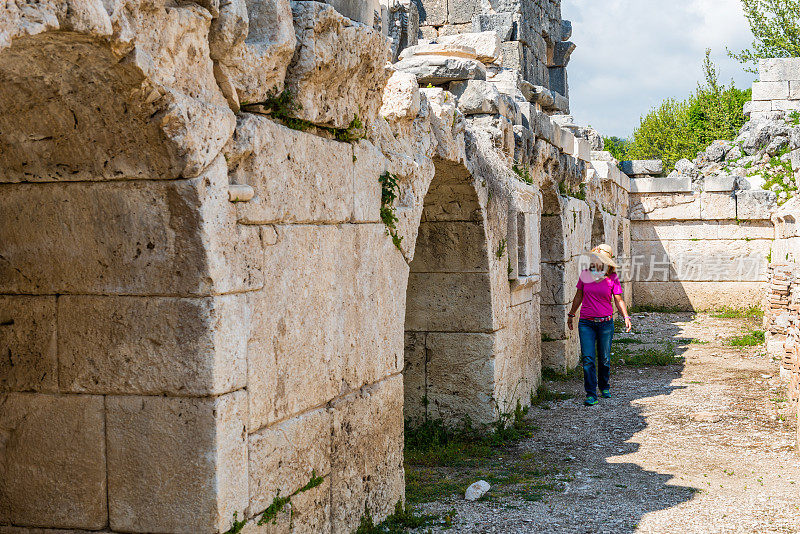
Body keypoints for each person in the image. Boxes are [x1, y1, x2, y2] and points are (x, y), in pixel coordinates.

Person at [567, 244, 632, 406]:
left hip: (605, 324)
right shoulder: (585, 275)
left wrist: (625, 316)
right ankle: (591, 393)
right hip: (586, 323)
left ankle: (604, 386)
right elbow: (578, 296)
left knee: (604, 359)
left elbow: (619, 300)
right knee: (588, 359)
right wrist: (571, 313)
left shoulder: (613, 278)